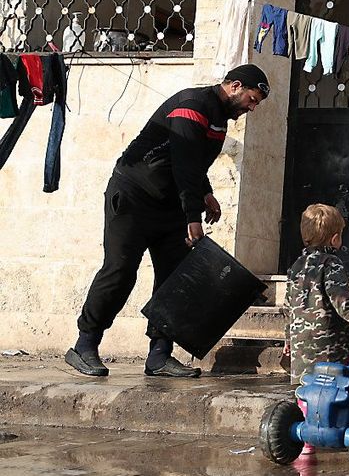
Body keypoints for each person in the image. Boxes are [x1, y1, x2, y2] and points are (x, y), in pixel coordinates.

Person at [65, 64, 270, 378]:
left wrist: (206, 193)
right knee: (120, 271)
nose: (252, 108)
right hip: (133, 196)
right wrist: (193, 218)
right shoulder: (193, 105)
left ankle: (160, 355)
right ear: (235, 85)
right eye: (252, 99)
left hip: (169, 202)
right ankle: (85, 344)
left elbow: (194, 163)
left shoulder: (218, 119)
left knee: (175, 280)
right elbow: (184, 161)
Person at [285, 203, 349, 387]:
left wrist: (288, 338)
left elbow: (288, 306)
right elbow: (339, 297)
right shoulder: (331, 263)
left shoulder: (295, 266)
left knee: (307, 388)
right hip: (328, 345)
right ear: (335, 239)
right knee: (334, 384)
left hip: (299, 346)